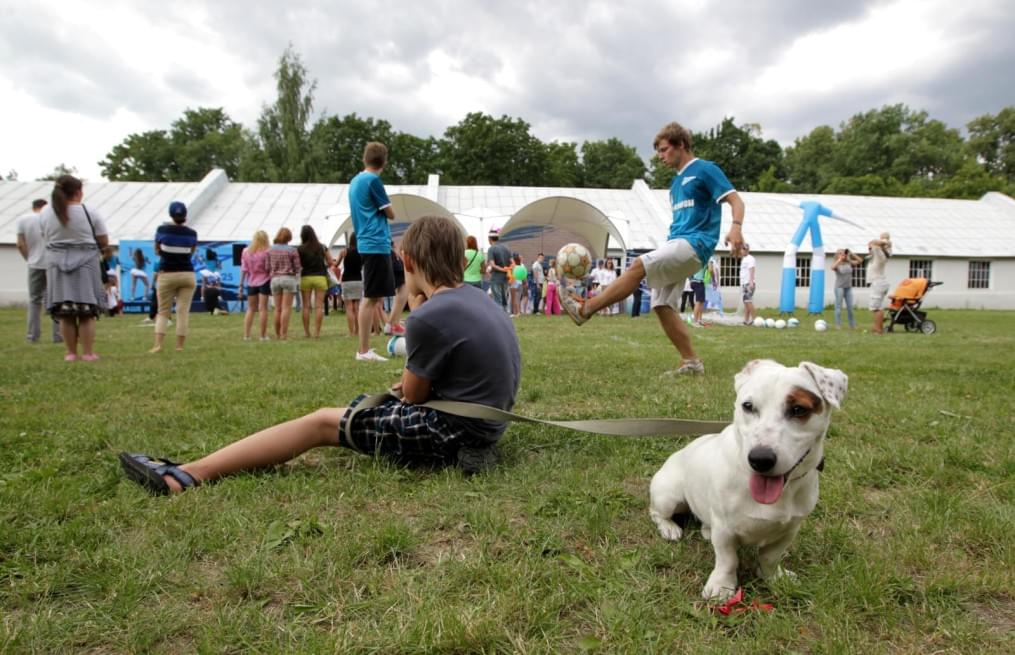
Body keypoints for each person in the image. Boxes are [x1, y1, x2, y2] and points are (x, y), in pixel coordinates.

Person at [118, 215, 522, 494]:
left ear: (408, 261)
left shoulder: (429, 315)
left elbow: (415, 396)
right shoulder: (483, 300)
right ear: (458, 259)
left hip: (453, 432)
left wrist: (411, 366)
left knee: (324, 423)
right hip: (487, 424)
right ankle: (188, 472)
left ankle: (186, 475)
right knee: (350, 415)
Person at [560, 122, 745, 375]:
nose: (660, 157)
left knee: (638, 265)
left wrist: (735, 227)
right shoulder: (675, 184)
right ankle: (691, 362)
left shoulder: (705, 170)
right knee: (661, 304)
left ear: (681, 145)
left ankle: (586, 309)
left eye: (664, 150)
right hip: (678, 243)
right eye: (658, 152)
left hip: (695, 243)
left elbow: (736, 200)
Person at [39, 175, 109, 361]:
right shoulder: (88, 211)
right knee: (86, 312)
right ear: (78, 191)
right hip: (86, 263)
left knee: (65, 313)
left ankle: (70, 353)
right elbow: (103, 239)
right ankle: (88, 352)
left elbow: (44, 236)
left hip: (56, 263)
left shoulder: (46, 212)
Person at [350, 142, 397, 362]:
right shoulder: (373, 181)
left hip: (365, 241)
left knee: (372, 296)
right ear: (384, 162)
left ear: (364, 158)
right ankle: (363, 350)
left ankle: (365, 349)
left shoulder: (355, 181)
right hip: (376, 242)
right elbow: (390, 213)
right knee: (370, 298)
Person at [150, 201, 198, 353]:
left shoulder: (162, 230)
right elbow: (191, 252)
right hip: (187, 274)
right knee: (182, 312)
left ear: (171, 214)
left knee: (163, 310)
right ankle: (179, 346)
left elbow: (157, 250)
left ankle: (158, 345)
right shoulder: (192, 233)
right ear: (185, 215)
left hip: (167, 274)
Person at [16, 198, 62, 343]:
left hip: (34, 263)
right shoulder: (53, 218)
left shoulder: (23, 219)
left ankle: (32, 336)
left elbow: (20, 243)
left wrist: (29, 258)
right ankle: (58, 335)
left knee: (34, 301)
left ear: (33, 206)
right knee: (56, 300)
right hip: (53, 262)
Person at [297, 225, 335, 339]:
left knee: (306, 306)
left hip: (306, 278)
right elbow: (330, 262)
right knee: (319, 307)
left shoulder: (300, 249)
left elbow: (298, 265)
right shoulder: (322, 247)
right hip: (320, 278)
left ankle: (307, 332)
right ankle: (317, 333)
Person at [268, 227, 301, 340]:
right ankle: (284, 334)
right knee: (286, 308)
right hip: (288, 278)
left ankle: (277, 334)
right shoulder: (292, 250)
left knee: (277, 308)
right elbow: (297, 267)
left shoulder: (270, 250)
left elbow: (267, 267)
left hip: (275, 279)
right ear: (289, 237)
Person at [240, 230, 271, 341]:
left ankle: (246, 335)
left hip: (251, 281)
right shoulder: (267, 251)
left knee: (251, 309)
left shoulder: (245, 251)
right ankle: (263, 335)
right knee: (263, 308)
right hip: (265, 280)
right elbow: (269, 268)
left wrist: (240, 285)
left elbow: (244, 269)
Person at [336, 233, 363, 338]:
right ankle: (358, 331)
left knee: (349, 308)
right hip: (358, 280)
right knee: (357, 308)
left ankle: (351, 332)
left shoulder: (344, 251)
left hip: (347, 281)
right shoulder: (362, 252)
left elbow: (336, 265)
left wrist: (341, 257)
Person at [867, 232, 893, 334]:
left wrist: (883, 241)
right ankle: (877, 327)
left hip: (878, 283)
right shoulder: (883, 252)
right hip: (880, 282)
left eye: (870, 249)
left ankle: (878, 330)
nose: (869, 250)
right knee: (878, 307)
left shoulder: (879, 252)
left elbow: (874, 243)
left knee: (875, 308)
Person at [832, 248, 864, 329]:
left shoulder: (849, 262)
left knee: (850, 307)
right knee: (838, 307)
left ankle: (852, 325)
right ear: (837, 255)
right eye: (840, 253)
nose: (842, 254)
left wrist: (852, 254)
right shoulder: (837, 264)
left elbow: (860, 261)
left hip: (848, 288)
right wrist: (840, 259)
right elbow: (832, 267)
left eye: (843, 253)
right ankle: (838, 325)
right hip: (839, 287)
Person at [485, 228, 512, 314]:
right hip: (505, 279)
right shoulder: (506, 248)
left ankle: (500, 320)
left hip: (496, 278)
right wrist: (507, 269)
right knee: (504, 300)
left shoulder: (491, 249)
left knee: (498, 300)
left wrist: (502, 269)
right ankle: (505, 319)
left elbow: (492, 265)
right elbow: (513, 264)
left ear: (489, 239)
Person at [385, 244, 409, 335]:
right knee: (403, 288)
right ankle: (392, 324)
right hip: (383, 250)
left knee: (401, 290)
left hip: (383, 251)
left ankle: (393, 324)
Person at [739, 243, 757, 326]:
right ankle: (746, 320)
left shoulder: (750, 258)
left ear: (747, 250)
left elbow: (751, 269)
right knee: (746, 302)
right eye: (742, 249)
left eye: (745, 249)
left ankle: (755, 320)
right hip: (744, 284)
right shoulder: (744, 259)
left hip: (748, 283)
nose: (743, 251)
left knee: (748, 301)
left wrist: (750, 282)